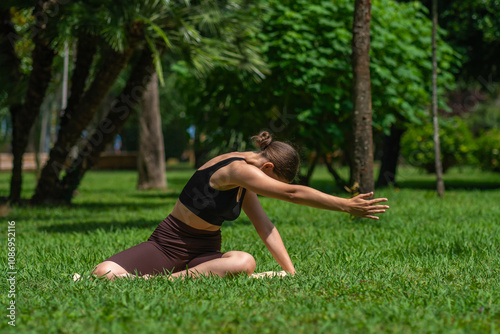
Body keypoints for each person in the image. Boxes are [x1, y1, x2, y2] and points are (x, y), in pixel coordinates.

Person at [92, 131, 389, 280]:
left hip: (205, 253)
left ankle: (158, 282)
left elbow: (264, 226)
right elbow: (293, 194)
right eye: (275, 181)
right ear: (268, 167)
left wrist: (291, 272)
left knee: (245, 261)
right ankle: (156, 281)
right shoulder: (236, 169)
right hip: (168, 245)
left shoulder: (246, 181)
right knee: (102, 273)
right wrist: (345, 205)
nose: (271, 189)